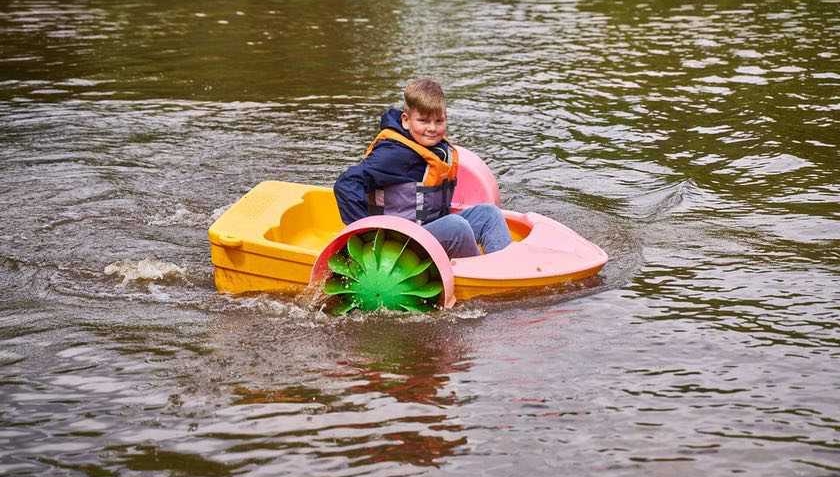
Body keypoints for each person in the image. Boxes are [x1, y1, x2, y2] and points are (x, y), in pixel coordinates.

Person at [333, 78, 512, 258]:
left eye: (439, 121)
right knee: (457, 227)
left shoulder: (436, 150)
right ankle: (479, 276)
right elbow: (346, 184)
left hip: (427, 230)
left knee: (489, 214)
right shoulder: (393, 155)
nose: (432, 128)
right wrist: (366, 236)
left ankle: (505, 269)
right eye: (424, 121)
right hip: (399, 242)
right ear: (406, 120)